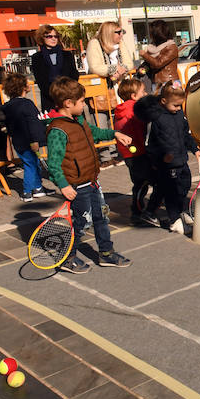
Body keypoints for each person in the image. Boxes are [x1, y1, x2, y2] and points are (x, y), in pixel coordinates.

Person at [44, 76, 132, 273]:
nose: (85, 105)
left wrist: (114, 134)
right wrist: (63, 185)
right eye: (82, 101)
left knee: (102, 217)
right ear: (68, 103)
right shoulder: (58, 130)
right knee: (82, 222)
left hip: (91, 180)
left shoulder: (78, 120)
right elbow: (54, 163)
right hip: (76, 186)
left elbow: (94, 132)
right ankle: (68, 257)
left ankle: (106, 253)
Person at [134, 83, 200, 235]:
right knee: (170, 191)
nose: (179, 108)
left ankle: (154, 211)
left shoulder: (179, 114)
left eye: (180, 105)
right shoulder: (155, 118)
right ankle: (174, 219)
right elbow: (149, 143)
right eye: (176, 105)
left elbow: (185, 134)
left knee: (183, 184)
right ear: (164, 101)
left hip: (180, 158)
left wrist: (195, 149)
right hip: (165, 163)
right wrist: (160, 157)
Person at [114, 78, 161, 226]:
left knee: (141, 183)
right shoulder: (135, 110)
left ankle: (139, 210)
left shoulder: (122, 109)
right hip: (138, 152)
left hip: (129, 153)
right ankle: (142, 212)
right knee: (152, 182)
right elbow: (142, 129)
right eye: (143, 92)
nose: (145, 93)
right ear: (134, 96)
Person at [1, 72, 47, 202]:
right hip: (30, 140)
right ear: (23, 88)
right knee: (30, 165)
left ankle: (37, 188)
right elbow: (33, 123)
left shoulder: (9, 107)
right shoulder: (27, 104)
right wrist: (36, 140)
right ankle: (27, 191)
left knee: (32, 163)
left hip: (18, 141)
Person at [30, 25, 79, 111]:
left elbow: (74, 74)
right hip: (49, 99)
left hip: (69, 97)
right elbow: (41, 80)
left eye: (55, 36)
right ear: (42, 38)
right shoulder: (37, 58)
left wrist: (67, 92)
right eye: (49, 36)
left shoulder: (67, 55)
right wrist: (55, 95)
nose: (53, 39)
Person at [139, 20, 180, 89]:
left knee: (172, 99)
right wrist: (143, 68)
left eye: (151, 32)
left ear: (157, 33)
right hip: (156, 82)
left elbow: (158, 63)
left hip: (169, 82)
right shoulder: (153, 47)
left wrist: (145, 55)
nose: (150, 35)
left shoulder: (171, 47)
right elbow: (150, 62)